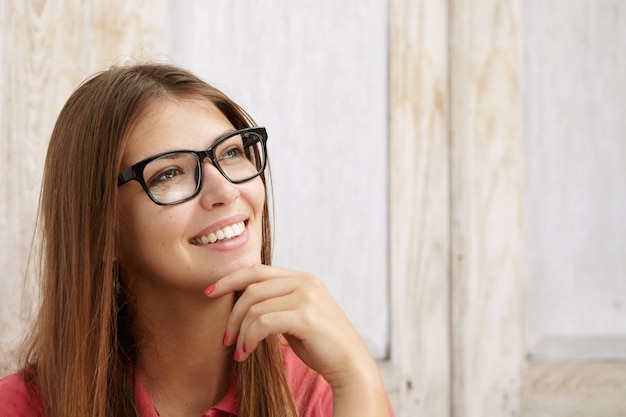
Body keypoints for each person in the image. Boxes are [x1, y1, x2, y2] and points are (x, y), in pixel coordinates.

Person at [0, 63, 393, 417]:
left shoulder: (326, 390)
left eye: (233, 152)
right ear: (103, 235)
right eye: (169, 174)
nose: (225, 190)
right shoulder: (21, 407)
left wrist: (359, 379)